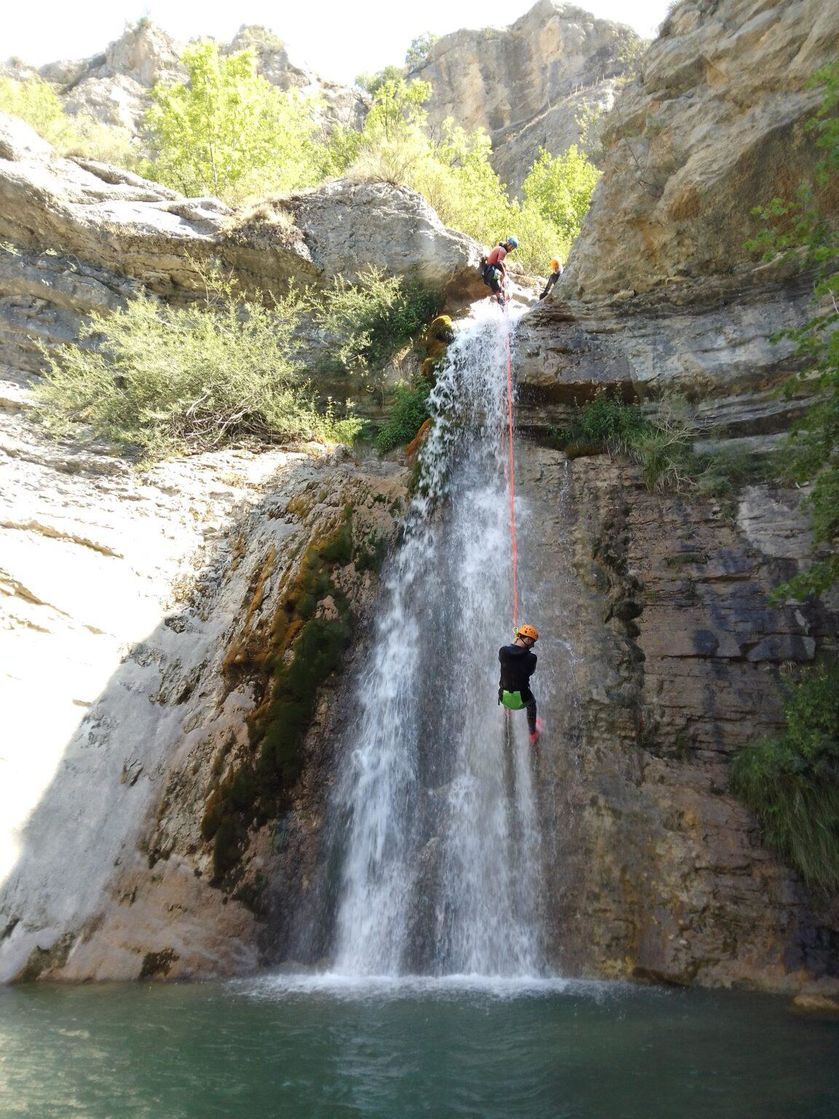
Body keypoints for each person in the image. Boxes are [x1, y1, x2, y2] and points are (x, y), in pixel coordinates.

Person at [498, 623, 542, 746]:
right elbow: (530, 672)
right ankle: (532, 733)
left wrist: (513, 645)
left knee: (505, 680)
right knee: (532, 704)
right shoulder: (531, 658)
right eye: (532, 642)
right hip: (521, 700)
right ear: (527, 639)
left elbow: (508, 653)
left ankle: (507, 710)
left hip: (504, 698)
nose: (533, 645)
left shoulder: (503, 651)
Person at [480, 236, 518, 304]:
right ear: (508, 243)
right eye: (511, 247)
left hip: (488, 270)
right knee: (497, 278)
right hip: (490, 271)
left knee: (502, 283)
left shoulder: (499, 248)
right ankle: (500, 298)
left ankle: (502, 297)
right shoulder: (503, 251)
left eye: (513, 248)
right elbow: (499, 262)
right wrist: (504, 272)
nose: (511, 249)